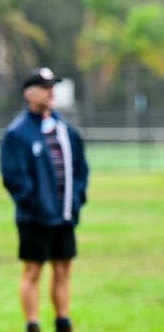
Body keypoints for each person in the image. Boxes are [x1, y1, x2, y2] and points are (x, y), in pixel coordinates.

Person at [1, 67, 89, 332]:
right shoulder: (18, 133)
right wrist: (34, 202)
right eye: (45, 87)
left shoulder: (65, 130)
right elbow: (14, 177)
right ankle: (33, 324)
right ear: (30, 93)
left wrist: (75, 200)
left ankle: (63, 321)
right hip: (35, 217)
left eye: (53, 86)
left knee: (63, 269)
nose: (51, 92)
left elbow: (81, 169)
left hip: (63, 215)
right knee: (33, 271)